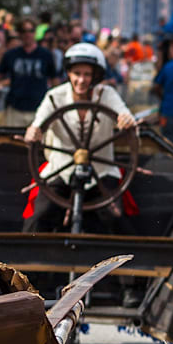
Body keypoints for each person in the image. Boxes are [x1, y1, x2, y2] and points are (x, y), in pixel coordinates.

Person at [23, 42, 137, 234]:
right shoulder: (54, 97)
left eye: (87, 74)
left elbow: (126, 119)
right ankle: (25, 258)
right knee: (40, 215)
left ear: (96, 76)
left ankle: (124, 260)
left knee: (113, 217)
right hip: (61, 169)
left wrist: (126, 122)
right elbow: (38, 124)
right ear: (69, 73)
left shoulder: (107, 95)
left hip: (101, 172)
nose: (81, 80)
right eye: (77, 73)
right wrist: (34, 132)